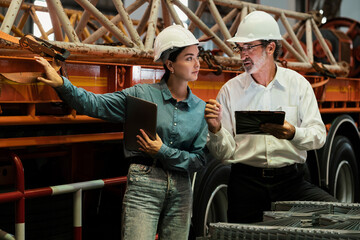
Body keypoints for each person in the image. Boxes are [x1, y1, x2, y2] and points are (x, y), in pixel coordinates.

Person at [35, 24, 208, 240]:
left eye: (197, 57)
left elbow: (200, 160)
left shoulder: (201, 109)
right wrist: (61, 83)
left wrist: (162, 151)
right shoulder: (141, 95)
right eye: (189, 58)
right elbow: (94, 104)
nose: (198, 64)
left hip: (182, 189)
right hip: (144, 182)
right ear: (170, 65)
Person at [205, 11, 337, 224]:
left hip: (292, 183)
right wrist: (216, 130)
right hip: (246, 184)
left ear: (270, 48)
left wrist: (293, 133)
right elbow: (224, 154)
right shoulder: (230, 91)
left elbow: (319, 136)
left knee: (338, 217)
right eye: (241, 48)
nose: (243, 55)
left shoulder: (298, 85)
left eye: (250, 47)